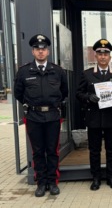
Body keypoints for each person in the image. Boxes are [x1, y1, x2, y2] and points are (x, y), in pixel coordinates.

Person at [14, 34, 68, 197]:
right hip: (33, 117)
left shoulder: (57, 71)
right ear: (33, 51)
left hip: (52, 116)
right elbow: (18, 93)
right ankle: (41, 182)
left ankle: (52, 182)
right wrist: (32, 104)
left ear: (48, 51)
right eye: (37, 49)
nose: (40, 52)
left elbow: (64, 92)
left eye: (43, 49)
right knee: (37, 151)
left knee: (52, 150)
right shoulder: (24, 71)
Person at [76, 39, 112, 191]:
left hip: (110, 117)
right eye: (100, 54)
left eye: (106, 54)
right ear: (95, 56)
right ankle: (96, 178)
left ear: (110, 57)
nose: (103, 57)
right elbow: (78, 93)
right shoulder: (87, 74)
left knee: (111, 149)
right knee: (94, 149)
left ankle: (111, 177)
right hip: (94, 117)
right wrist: (88, 98)